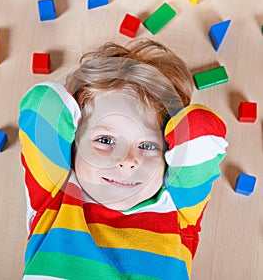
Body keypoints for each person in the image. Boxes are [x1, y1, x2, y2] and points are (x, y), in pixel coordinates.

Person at [18, 39, 228, 280]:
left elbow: (201, 126)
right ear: (73, 143)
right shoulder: (56, 196)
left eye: (147, 146)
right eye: (105, 140)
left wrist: (173, 113)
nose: (127, 161)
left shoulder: (178, 208)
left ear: (170, 154)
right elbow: (43, 104)